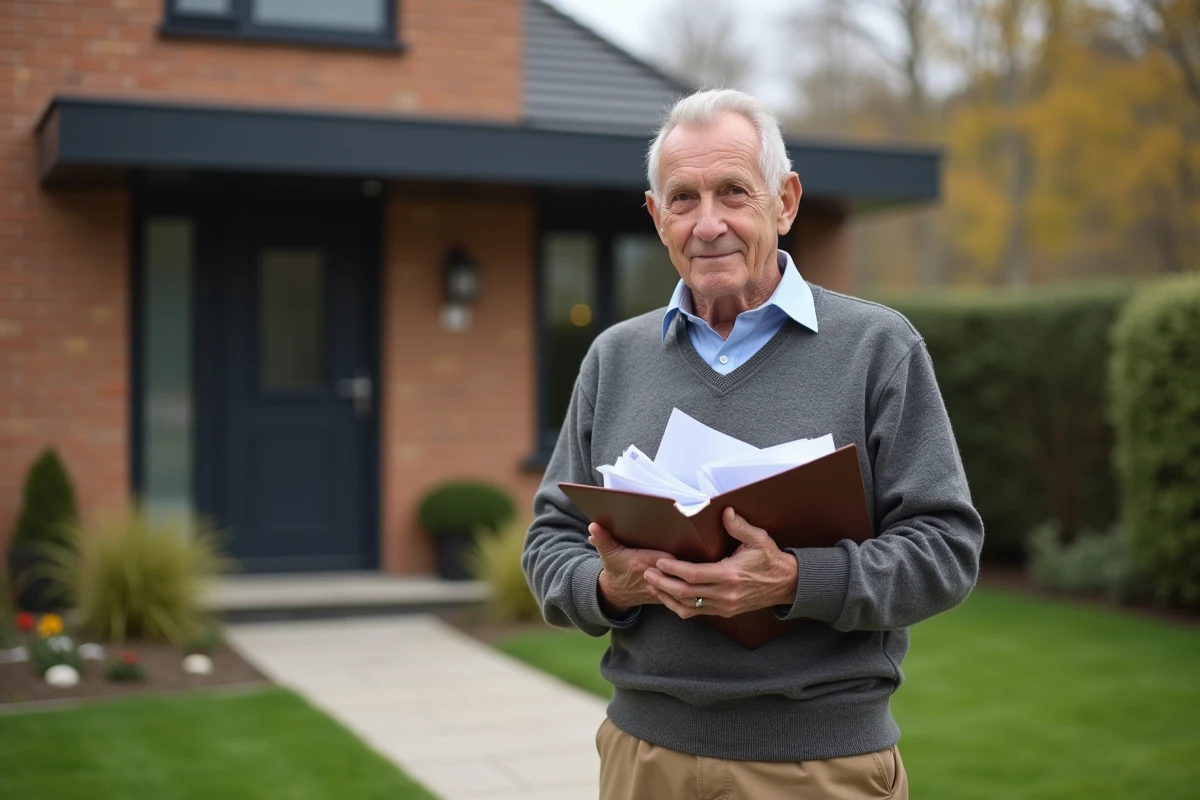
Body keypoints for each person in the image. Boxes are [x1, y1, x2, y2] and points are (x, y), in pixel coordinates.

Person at [522, 88, 984, 799]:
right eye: (683, 199)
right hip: (644, 759)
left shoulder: (877, 349)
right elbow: (549, 541)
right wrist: (609, 586)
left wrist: (797, 580)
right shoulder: (614, 359)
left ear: (785, 201)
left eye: (734, 192)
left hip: (820, 765)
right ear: (656, 217)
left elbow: (946, 548)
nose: (709, 224)